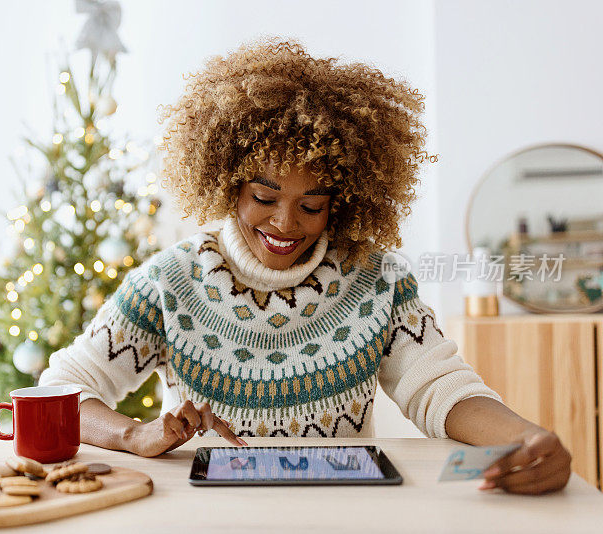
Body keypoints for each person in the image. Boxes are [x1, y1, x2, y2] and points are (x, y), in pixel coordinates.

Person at [40, 36, 571, 495]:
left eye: (311, 205)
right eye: (263, 197)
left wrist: (524, 438)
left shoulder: (377, 280)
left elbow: (441, 388)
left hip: (339, 513)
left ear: (339, 201)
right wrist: (135, 435)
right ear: (228, 182)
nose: (285, 224)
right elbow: (60, 390)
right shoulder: (170, 282)